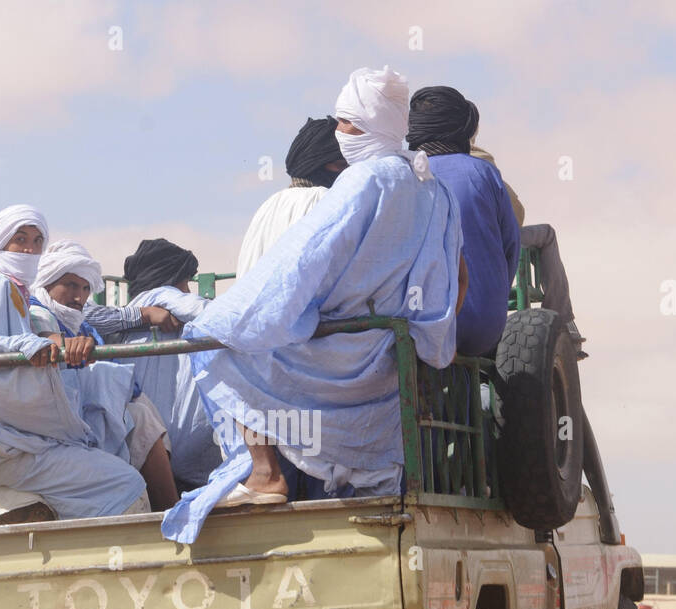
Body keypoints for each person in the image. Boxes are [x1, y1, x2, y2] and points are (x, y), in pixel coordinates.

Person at [161, 66, 462, 545]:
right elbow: (450, 273)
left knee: (218, 337)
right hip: (386, 352)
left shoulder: (365, 181)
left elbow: (301, 266)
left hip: (338, 351)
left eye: (347, 123)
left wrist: (243, 315)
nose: (340, 134)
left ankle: (264, 473)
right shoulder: (429, 184)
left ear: (370, 126)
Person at [0, 205, 147, 519]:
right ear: (0, 243)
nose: (29, 249)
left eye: (38, 241)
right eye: (20, 239)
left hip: (13, 436)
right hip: (3, 445)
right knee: (126, 482)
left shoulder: (17, 291)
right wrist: (25, 344)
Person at [31, 241, 179, 509]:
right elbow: (45, 335)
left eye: (86, 288)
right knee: (141, 417)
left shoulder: (79, 319)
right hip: (55, 420)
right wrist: (64, 345)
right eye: (71, 285)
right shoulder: (36, 311)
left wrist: (145, 315)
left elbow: (104, 316)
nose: (79, 296)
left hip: (81, 411)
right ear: (47, 283)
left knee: (140, 410)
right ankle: (171, 507)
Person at [407, 85, 518, 357]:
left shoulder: (398, 175)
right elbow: (511, 248)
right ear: (463, 128)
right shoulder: (485, 173)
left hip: (414, 330)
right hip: (484, 326)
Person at [109, 238, 222, 487]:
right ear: (173, 278)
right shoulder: (163, 296)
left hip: (142, 458)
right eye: (186, 282)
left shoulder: (129, 315)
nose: (188, 290)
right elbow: (215, 315)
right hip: (188, 457)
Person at [236, 116, 347, 275]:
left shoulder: (268, 205)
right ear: (317, 165)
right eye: (342, 165)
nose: (347, 173)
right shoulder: (324, 200)